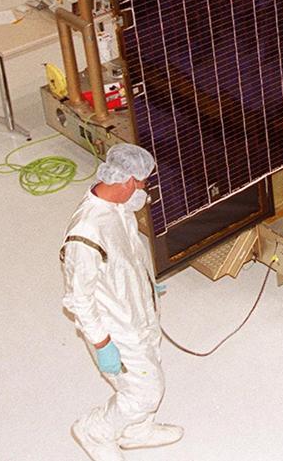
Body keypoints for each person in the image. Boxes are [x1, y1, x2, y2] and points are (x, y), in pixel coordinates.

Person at [62, 144, 181, 461]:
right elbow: (80, 299)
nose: (144, 190)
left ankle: (137, 431)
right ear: (127, 181)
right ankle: (95, 431)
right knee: (144, 390)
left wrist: (147, 285)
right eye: (141, 182)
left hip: (139, 311)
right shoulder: (86, 233)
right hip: (118, 329)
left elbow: (126, 255)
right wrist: (103, 344)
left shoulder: (117, 206)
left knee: (151, 367)